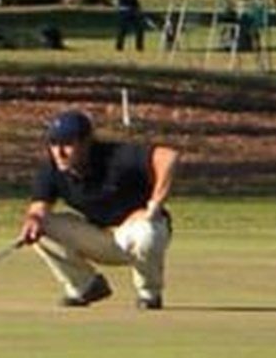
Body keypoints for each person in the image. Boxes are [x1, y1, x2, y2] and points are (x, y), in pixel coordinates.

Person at [19, 109, 178, 310]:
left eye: (68, 144)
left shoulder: (116, 156)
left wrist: (154, 205)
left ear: (86, 143)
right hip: (100, 238)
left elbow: (168, 157)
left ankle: (149, 293)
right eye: (53, 144)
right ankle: (85, 286)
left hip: (136, 233)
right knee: (39, 226)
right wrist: (33, 220)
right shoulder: (53, 169)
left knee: (148, 231)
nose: (59, 152)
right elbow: (38, 209)